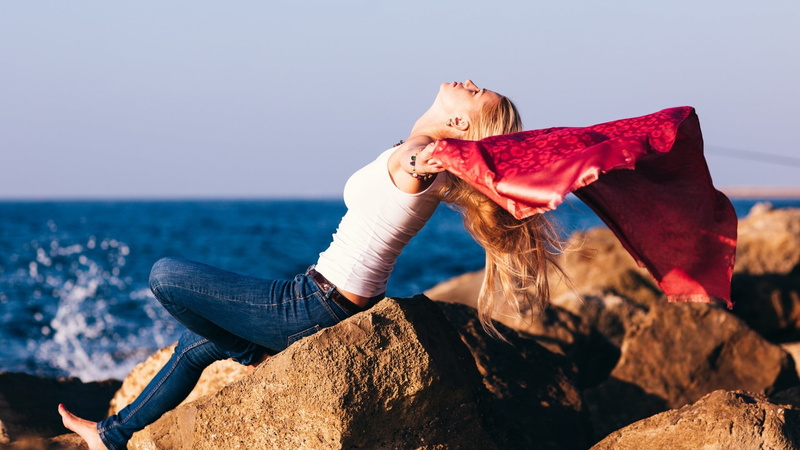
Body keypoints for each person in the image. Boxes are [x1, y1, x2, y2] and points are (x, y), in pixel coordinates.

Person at [58, 80, 562, 450]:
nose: (468, 82)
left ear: (460, 124)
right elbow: (413, 160)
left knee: (165, 276)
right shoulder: (419, 151)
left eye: (476, 92)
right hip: (322, 298)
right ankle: (112, 436)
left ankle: (254, 353)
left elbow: (412, 164)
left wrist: (422, 160)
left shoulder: (418, 158)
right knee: (193, 347)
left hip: (315, 305)